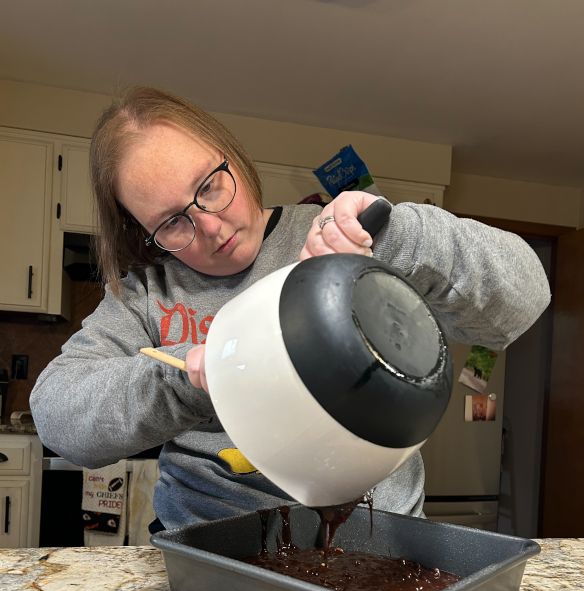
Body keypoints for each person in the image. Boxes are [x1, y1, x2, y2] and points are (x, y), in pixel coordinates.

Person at [30, 86, 551, 531]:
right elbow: (58, 419)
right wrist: (185, 377)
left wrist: (397, 235)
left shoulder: (344, 238)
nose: (211, 227)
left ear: (233, 156)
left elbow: (525, 298)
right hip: (213, 548)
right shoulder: (146, 294)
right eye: (171, 222)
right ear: (142, 232)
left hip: (378, 537)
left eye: (209, 186)